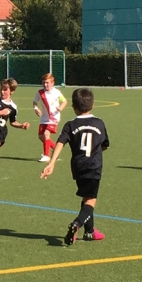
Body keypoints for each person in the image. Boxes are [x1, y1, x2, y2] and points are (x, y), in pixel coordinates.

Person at [39, 88, 110, 245]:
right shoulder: (99, 123)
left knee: (86, 196)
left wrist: (51, 163)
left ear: (73, 107)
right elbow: (105, 145)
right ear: (92, 105)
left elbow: (60, 143)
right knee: (91, 200)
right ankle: (77, 224)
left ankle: (90, 231)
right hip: (94, 166)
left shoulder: (70, 125)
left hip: (78, 167)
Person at [33, 73, 67, 162]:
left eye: (47, 82)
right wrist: (36, 108)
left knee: (46, 134)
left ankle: (46, 156)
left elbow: (64, 101)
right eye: (43, 83)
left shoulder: (56, 92)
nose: (45, 85)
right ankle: (56, 149)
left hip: (53, 118)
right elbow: (34, 102)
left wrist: (60, 108)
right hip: (44, 118)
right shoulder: (39, 92)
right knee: (41, 136)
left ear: (52, 83)